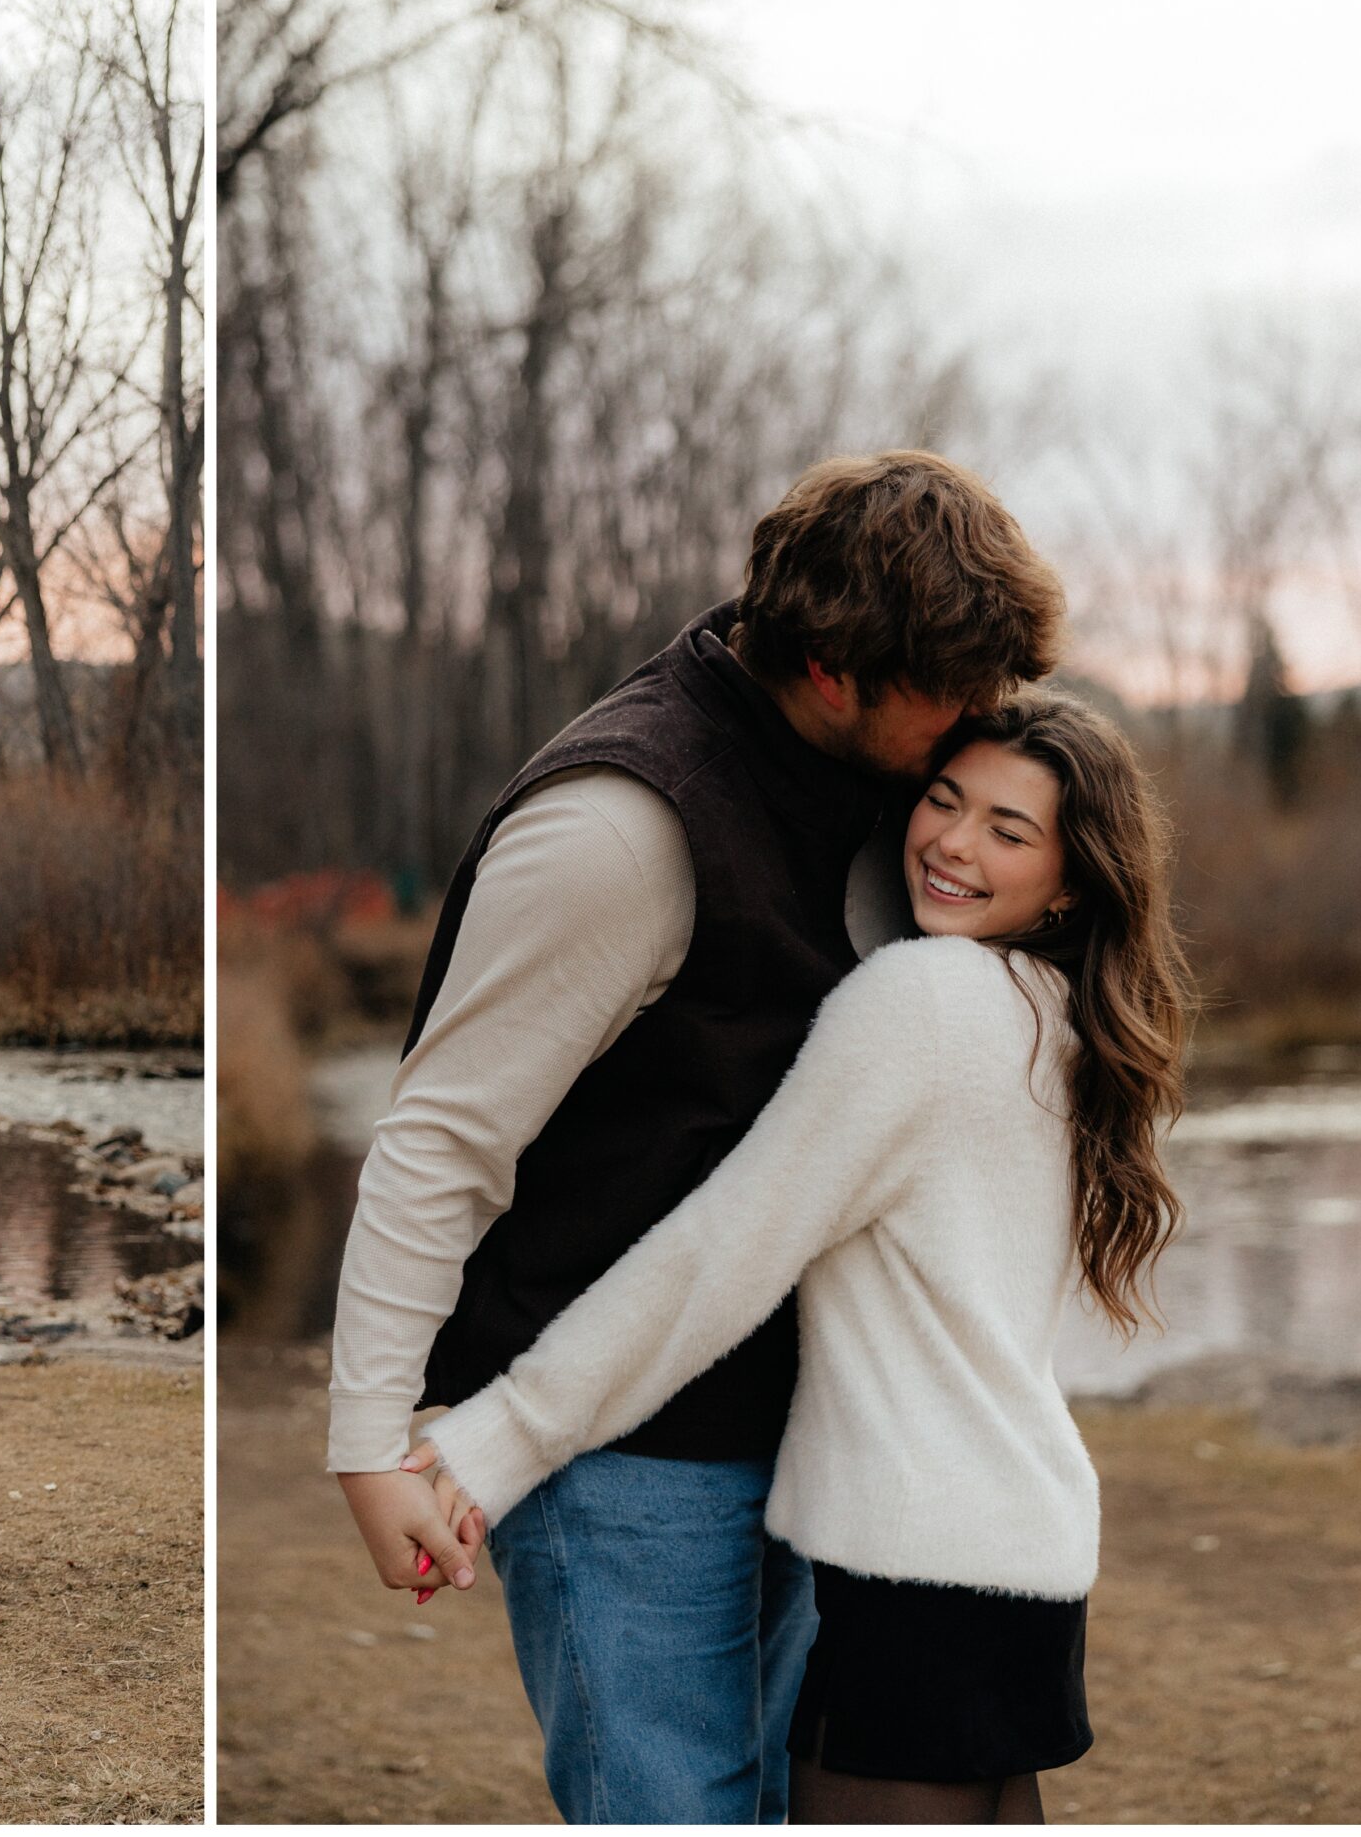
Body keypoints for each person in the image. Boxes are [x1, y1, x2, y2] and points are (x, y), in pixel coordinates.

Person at [328, 451, 1068, 1823]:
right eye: (951, 696)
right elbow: (438, 1139)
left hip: (807, 1442)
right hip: (622, 1466)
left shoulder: (881, 785)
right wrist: (371, 1443)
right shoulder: (623, 826)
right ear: (836, 671)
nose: (981, 722)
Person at [405, 692, 1195, 1824]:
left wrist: (499, 1437)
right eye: (942, 799)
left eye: (1008, 832)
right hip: (1026, 1559)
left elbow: (721, 1255)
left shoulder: (921, 1004)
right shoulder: (1059, 1019)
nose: (954, 844)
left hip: (914, 1572)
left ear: (1067, 880)